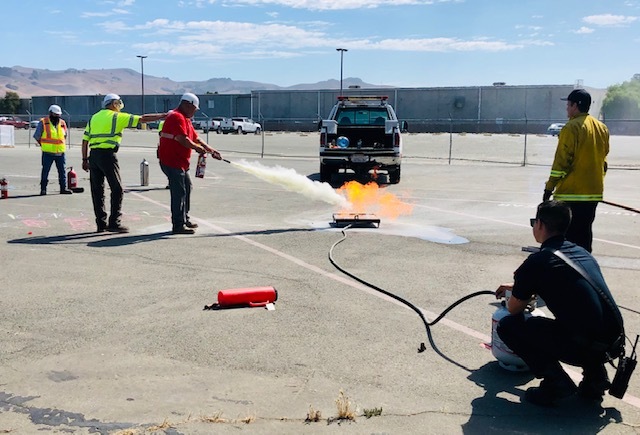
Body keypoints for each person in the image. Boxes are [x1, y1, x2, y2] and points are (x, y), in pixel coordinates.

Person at [495, 200, 624, 407]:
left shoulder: (537, 262)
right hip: (614, 343)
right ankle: (595, 378)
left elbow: (514, 308)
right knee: (582, 320)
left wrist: (521, 287)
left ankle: (556, 383)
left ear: (539, 224)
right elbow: (569, 286)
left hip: (585, 346)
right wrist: (518, 285)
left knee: (509, 326)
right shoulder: (581, 253)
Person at [81, 94, 166, 233]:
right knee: (117, 189)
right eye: (119, 104)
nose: (120, 107)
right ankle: (114, 222)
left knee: (97, 191)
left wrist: (85, 159)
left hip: (93, 155)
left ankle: (101, 223)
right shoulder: (116, 117)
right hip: (107, 155)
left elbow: (85, 140)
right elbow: (142, 119)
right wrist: (162, 115)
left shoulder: (94, 117)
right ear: (114, 103)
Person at [543, 89, 609, 252]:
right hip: (593, 193)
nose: (566, 108)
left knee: (567, 241)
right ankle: (585, 268)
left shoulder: (571, 127)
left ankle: (567, 274)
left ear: (575, 105)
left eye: (568, 104)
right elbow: (604, 161)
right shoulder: (601, 128)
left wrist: (549, 187)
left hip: (571, 194)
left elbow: (562, 161)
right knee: (584, 236)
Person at [158, 93, 221, 234]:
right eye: (194, 109)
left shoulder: (186, 119)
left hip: (180, 162)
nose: (194, 112)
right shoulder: (176, 116)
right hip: (171, 161)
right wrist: (198, 149)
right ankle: (178, 225)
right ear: (187, 105)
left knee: (187, 187)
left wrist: (209, 149)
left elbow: (195, 137)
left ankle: (184, 218)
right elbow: (182, 139)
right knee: (179, 192)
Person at [34, 105, 72, 195]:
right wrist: (42, 144)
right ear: (50, 113)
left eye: (58, 115)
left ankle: (63, 188)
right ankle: (43, 189)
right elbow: (37, 136)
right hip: (48, 153)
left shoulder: (62, 123)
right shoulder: (43, 122)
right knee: (45, 171)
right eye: (55, 114)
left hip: (60, 152)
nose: (57, 116)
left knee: (62, 171)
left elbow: (65, 135)